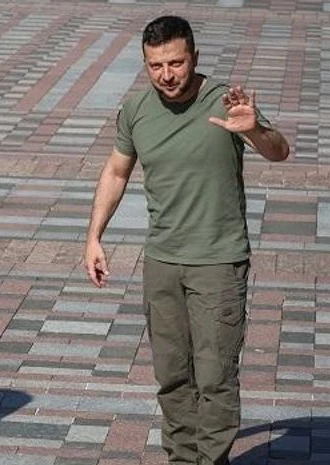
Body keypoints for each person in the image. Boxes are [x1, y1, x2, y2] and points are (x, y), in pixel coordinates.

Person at [82, 15, 288, 465]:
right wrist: (94, 236)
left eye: (176, 62)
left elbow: (279, 151)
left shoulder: (226, 101)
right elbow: (117, 171)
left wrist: (253, 128)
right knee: (173, 376)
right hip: (162, 262)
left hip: (218, 262)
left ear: (194, 57)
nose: (167, 74)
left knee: (215, 378)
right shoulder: (136, 111)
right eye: (155, 65)